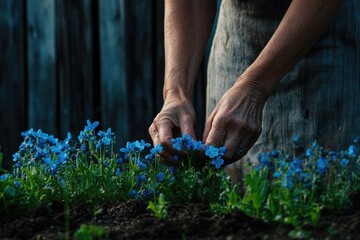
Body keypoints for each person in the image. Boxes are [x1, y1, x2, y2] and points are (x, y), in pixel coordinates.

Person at [148, 0, 360, 180]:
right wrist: (175, 92)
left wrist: (254, 87)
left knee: (321, 191)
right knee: (232, 196)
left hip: (318, 32)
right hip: (237, 36)